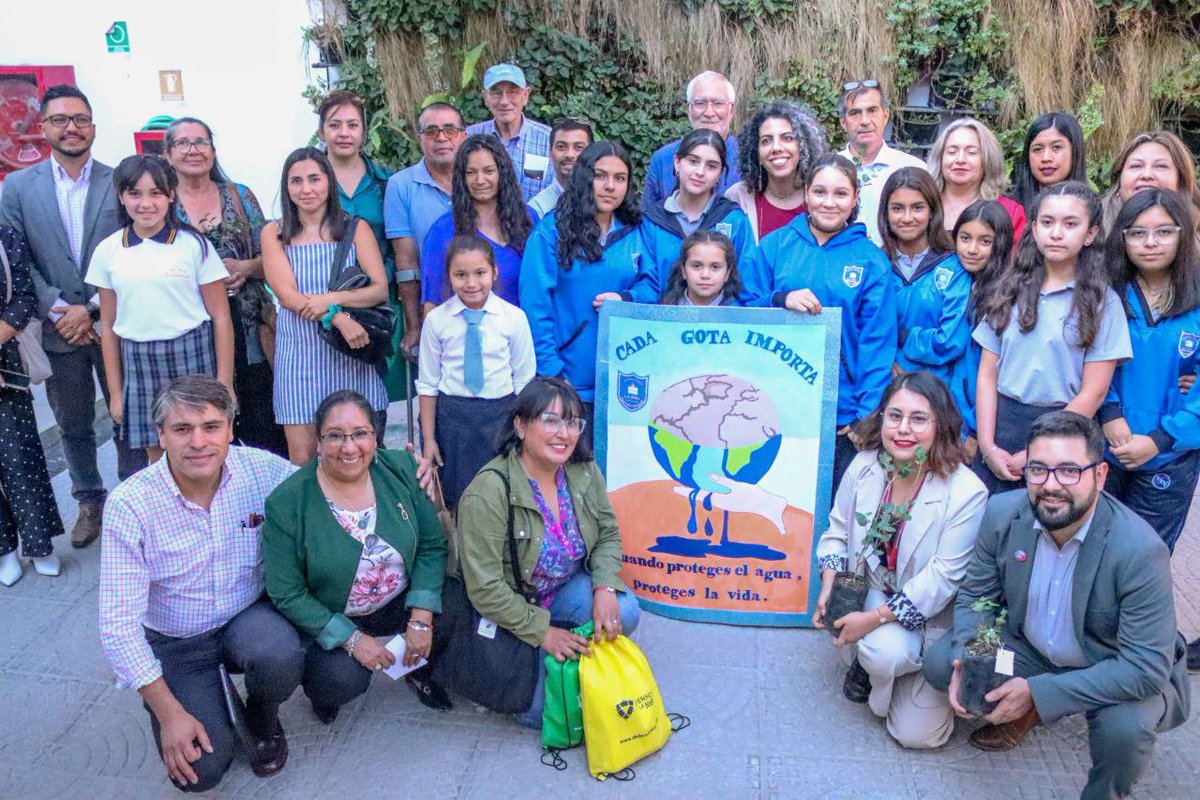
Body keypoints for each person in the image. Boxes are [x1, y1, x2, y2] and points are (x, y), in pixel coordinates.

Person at [924, 411, 1191, 800]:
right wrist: (973, 656)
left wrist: (1039, 693)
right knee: (941, 662)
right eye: (1038, 469)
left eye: (1069, 471)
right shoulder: (1003, 514)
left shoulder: (1139, 550)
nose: (1051, 485)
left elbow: (1145, 669)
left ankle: (1103, 792)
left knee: (1125, 730)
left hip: (1110, 662)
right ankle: (1025, 708)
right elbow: (977, 597)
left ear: (1099, 477)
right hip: (1030, 647)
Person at [98, 376, 304, 792]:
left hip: (246, 618)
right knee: (202, 773)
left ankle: (262, 715)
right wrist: (170, 713)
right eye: (181, 429)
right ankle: (190, 695)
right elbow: (118, 628)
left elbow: (325, 486)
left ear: (230, 429)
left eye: (211, 427)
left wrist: (402, 473)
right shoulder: (129, 505)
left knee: (281, 654)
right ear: (160, 435)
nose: (198, 442)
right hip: (176, 640)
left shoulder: (262, 471)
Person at [0, 84, 146, 548]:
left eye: (80, 118)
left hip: (114, 322)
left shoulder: (119, 180)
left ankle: (134, 498)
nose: (71, 128)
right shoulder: (18, 188)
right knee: (73, 421)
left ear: (93, 127)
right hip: (57, 327)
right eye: (60, 119)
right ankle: (90, 501)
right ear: (43, 128)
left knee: (128, 414)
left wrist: (93, 308)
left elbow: (132, 249)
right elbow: (16, 260)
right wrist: (59, 308)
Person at [814, 372, 986, 748]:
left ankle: (899, 660)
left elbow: (941, 580)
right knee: (879, 649)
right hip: (873, 588)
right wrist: (829, 584)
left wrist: (870, 621)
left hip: (930, 613)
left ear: (942, 425)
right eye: (895, 416)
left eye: (919, 419)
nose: (903, 429)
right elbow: (838, 531)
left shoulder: (966, 492)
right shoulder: (865, 466)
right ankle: (881, 661)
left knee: (917, 736)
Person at [456, 376, 640, 728]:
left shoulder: (582, 470)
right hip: (509, 605)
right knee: (541, 715)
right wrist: (543, 633)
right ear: (521, 425)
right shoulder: (489, 491)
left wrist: (603, 587)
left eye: (572, 422)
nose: (564, 433)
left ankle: (565, 650)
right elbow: (484, 588)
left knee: (624, 609)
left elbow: (607, 533)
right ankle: (542, 650)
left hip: (560, 590)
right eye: (550, 420)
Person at [262, 390, 451, 721]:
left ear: (375, 437)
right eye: (335, 436)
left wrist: (421, 618)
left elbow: (432, 545)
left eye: (360, 434)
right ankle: (323, 692)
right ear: (318, 442)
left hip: (397, 600)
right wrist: (351, 639)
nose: (349, 447)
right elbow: (286, 593)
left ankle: (417, 665)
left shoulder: (404, 469)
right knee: (339, 680)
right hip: (333, 610)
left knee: (455, 605)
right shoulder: (287, 502)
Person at [743, 153, 897, 493]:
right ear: (806, 194)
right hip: (775, 406)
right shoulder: (775, 246)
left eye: (840, 194)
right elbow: (743, 305)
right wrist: (779, 300)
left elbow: (877, 343)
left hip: (840, 415)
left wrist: (866, 413)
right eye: (820, 192)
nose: (829, 203)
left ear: (855, 199)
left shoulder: (870, 262)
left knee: (832, 512)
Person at [973, 182, 1132, 495]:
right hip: (1003, 424)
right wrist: (987, 445)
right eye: (1047, 222)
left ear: (1090, 233)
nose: (1056, 233)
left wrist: (1037, 452)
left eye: (1070, 224)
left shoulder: (1103, 302)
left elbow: (1094, 393)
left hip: (1066, 428)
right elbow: (987, 374)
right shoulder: (1009, 289)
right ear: (1033, 228)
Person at [88, 155, 235, 462]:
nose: (146, 203)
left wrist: (225, 384)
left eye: (156, 193)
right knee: (158, 454)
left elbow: (221, 318)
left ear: (171, 195)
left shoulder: (194, 245)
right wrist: (115, 394)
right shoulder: (108, 251)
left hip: (192, 355)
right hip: (139, 361)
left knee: (204, 445)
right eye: (135, 194)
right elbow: (109, 327)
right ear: (121, 196)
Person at [165, 116, 287, 456]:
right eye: (183, 143)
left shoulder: (239, 195)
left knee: (266, 430)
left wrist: (246, 267)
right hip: (194, 335)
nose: (193, 150)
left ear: (213, 150)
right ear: (168, 153)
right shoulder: (162, 204)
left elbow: (274, 258)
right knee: (206, 429)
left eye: (201, 142)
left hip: (250, 333)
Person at [261, 147, 389, 465]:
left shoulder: (354, 228)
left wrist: (333, 302)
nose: (306, 189)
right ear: (286, 187)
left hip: (351, 356)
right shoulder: (274, 233)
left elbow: (378, 289)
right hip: (300, 357)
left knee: (359, 455)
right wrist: (338, 317)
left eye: (315, 179)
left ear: (329, 183)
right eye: (296, 181)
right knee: (303, 459)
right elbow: (287, 296)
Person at [1099, 189, 1200, 552]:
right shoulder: (1106, 292)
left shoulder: (1196, 298)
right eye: (1138, 233)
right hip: (1107, 444)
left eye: (1164, 231)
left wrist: (1160, 440)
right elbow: (1090, 359)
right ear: (1122, 238)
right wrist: (1109, 414)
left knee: (1145, 557)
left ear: (1183, 235)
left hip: (1172, 455)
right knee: (1093, 551)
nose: (1150, 242)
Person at [520, 141, 651, 417]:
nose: (610, 186)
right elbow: (535, 306)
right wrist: (552, 373)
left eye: (620, 178)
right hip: (566, 384)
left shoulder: (638, 231)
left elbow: (653, 285)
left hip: (623, 381)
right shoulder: (550, 232)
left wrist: (627, 298)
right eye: (600, 175)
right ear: (584, 178)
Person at [417, 236, 535, 506]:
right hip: (453, 421)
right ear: (449, 276)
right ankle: (461, 548)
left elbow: (524, 380)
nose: (471, 283)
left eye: (480, 273)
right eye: (460, 275)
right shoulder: (437, 320)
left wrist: (523, 434)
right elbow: (427, 384)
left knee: (500, 496)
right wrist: (429, 438)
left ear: (494, 272)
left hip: (500, 416)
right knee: (457, 499)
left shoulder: (513, 318)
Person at [316, 90, 409, 406]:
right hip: (325, 301)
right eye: (335, 124)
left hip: (381, 303)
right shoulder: (307, 181)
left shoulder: (385, 182)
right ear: (322, 131)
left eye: (352, 125)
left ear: (363, 131)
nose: (344, 133)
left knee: (382, 400)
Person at [0, 225, 65, 585]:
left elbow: (23, 296)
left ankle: (40, 545)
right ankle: (4, 550)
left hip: (7, 364)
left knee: (21, 459)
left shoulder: (4, 235)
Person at [630, 128, 755, 302]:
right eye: (693, 161)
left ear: (720, 174)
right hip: (659, 324)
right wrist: (628, 298)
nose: (700, 172)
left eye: (711, 166)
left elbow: (748, 285)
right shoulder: (651, 222)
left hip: (721, 325)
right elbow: (646, 282)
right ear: (677, 162)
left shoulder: (734, 220)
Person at [384, 101, 467, 356]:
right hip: (434, 308)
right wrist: (413, 327)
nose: (441, 137)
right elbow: (406, 262)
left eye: (450, 130)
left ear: (463, 135)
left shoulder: (480, 179)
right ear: (420, 139)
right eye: (431, 131)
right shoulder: (401, 185)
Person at [419, 135, 535, 310]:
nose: (480, 180)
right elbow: (432, 306)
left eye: (488, 171)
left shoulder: (528, 220)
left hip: (523, 333)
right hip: (465, 334)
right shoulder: (443, 231)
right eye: (471, 172)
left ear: (502, 173)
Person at [878, 167, 969, 385]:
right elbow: (865, 332)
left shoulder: (954, 266)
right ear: (886, 214)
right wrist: (884, 362)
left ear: (932, 211)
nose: (907, 218)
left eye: (917, 208)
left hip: (940, 387)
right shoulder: (876, 265)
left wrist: (904, 336)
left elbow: (951, 341)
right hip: (885, 383)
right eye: (897, 208)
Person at [948, 200, 1016, 461]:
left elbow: (992, 374)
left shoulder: (1006, 295)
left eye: (985, 241)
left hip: (981, 425)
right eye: (965, 238)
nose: (972, 249)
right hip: (950, 413)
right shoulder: (956, 281)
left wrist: (975, 432)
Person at [836, 79, 927, 244]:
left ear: (885, 116)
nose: (864, 121)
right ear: (843, 123)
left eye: (872, 110)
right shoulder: (828, 171)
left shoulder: (914, 169)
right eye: (855, 113)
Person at [726, 100, 829, 243]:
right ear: (756, 152)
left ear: (803, 146)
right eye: (766, 141)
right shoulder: (738, 197)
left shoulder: (823, 196)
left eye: (787, 138)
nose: (776, 148)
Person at [643, 71, 741, 209]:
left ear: (731, 110)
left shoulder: (748, 159)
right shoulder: (663, 158)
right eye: (700, 103)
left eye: (718, 103)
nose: (709, 113)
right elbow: (648, 218)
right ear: (689, 109)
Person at [467, 63, 553, 201]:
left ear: (525, 95)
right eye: (496, 93)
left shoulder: (549, 140)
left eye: (512, 92)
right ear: (485, 98)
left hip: (534, 221)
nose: (504, 101)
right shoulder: (469, 137)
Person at [926, 118, 1026, 236]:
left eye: (972, 152)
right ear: (940, 158)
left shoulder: (1009, 212)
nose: (960, 160)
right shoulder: (921, 205)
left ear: (988, 160)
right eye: (952, 152)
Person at [1100, 131, 1200, 246]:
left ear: (1181, 180)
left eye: (1160, 166)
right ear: (1119, 179)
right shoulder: (1090, 229)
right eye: (1136, 166)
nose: (1147, 175)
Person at [1009, 112, 1088, 217]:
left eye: (1057, 147)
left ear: (1075, 152)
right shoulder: (1009, 211)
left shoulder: (1093, 210)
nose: (1046, 158)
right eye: (1037, 149)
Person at [658, 229, 744, 306]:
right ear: (683, 270)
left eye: (715, 267)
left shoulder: (739, 315)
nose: (705, 275)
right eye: (696, 266)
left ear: (727, 273)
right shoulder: (665, 312)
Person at [529, 117, 593, 219]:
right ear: (550, 152)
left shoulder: (603, 201)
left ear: (592, 152)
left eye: (579, 147)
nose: (570, 154)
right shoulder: (537, 209)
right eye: (561, 147)